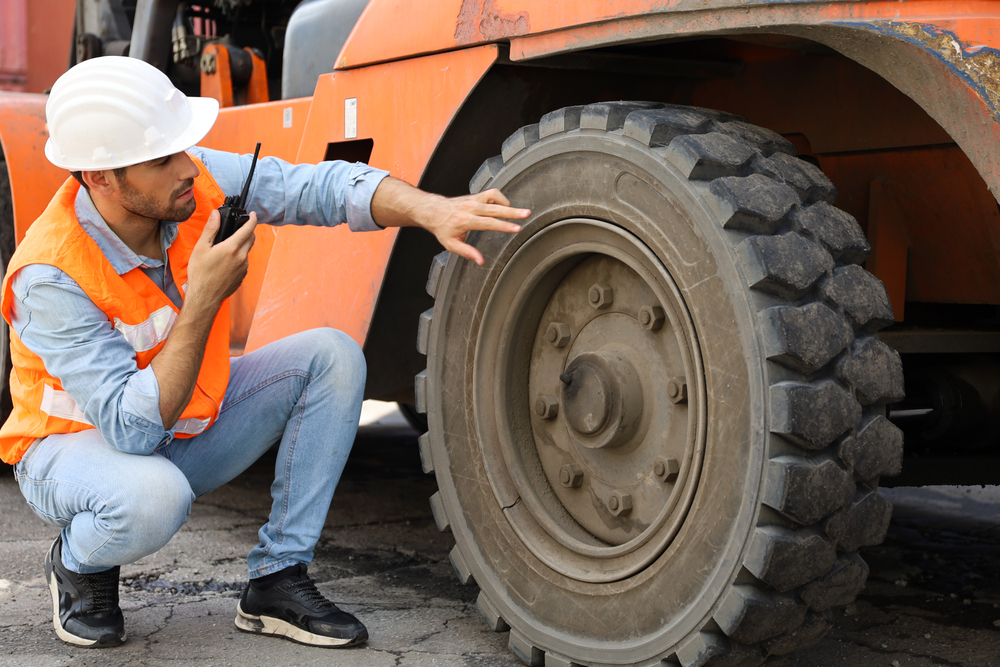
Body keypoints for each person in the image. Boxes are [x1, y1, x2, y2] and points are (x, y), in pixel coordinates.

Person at [0, 56, 528, 649]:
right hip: (72, 452)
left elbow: (317, 187)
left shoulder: (189, 184)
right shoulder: (49, 276)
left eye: (182, 149)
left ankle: (276, 580)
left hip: (172, 424)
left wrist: (430, 209)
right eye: (161, 158)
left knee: (331, 356)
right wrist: (203, 298)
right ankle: (81, 560)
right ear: (99, 177)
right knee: (151, 499)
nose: (186, 170)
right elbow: (131, 433)